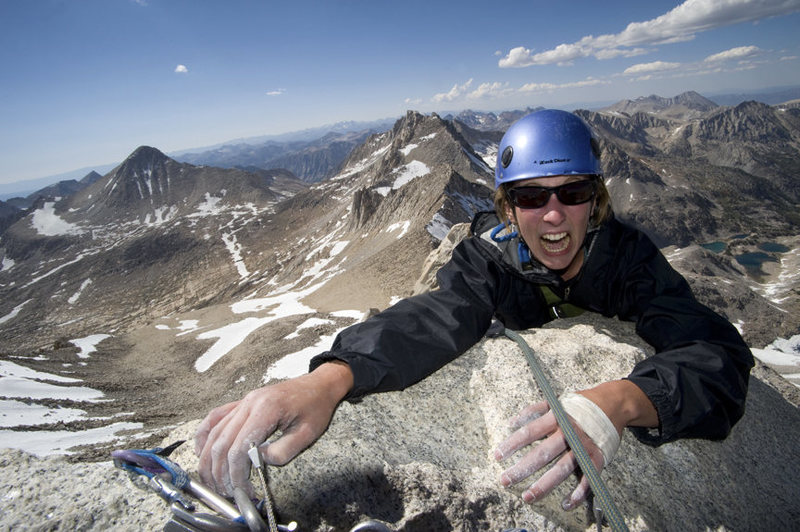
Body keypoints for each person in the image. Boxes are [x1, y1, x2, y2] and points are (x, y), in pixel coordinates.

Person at [195, 109, 753, 510]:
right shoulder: (487, 259)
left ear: (596, 200)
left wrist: (623, 400)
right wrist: (332, 378)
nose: (553, 215)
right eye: (532, 197)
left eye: (572, 193)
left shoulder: (629, 258)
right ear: (508, 207)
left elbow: (716, 352)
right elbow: (438, 316)